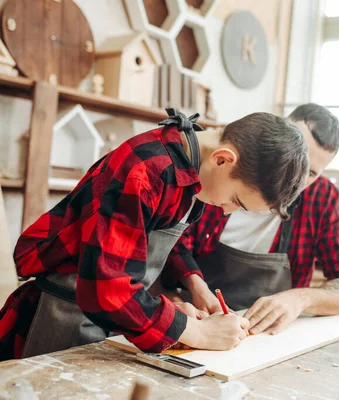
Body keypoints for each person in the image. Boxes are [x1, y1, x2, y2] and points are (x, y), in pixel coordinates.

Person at [0, 109, 309, 361]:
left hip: (108, 321)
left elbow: (151, 235)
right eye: (235, 201)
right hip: (58, 316)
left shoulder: (192, 169)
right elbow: (109, 288)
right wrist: (195, 332)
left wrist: (194, 284)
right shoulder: (146, 170)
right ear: (223, 159)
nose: (226, 211)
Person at [162, 104, 339, 336]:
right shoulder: (222, 172)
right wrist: (193, 286)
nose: (294, 176)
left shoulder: (322, 198)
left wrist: (300, 298)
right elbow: (169, 243)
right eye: (292, 155)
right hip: (195, 322)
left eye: (309, 172)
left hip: (263, 337)